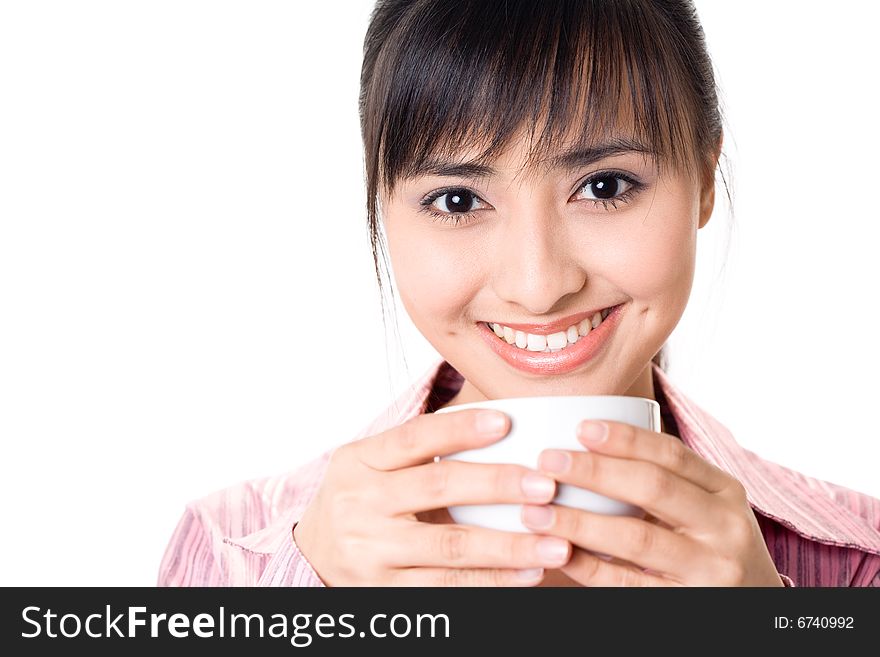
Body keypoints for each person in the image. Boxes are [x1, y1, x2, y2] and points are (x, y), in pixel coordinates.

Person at [158, 0, 880, 587]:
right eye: (457, 200)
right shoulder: (234, 562)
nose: (538, 286)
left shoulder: (857, 566)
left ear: (701, 179)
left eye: (604, 186)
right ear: (381, 205)